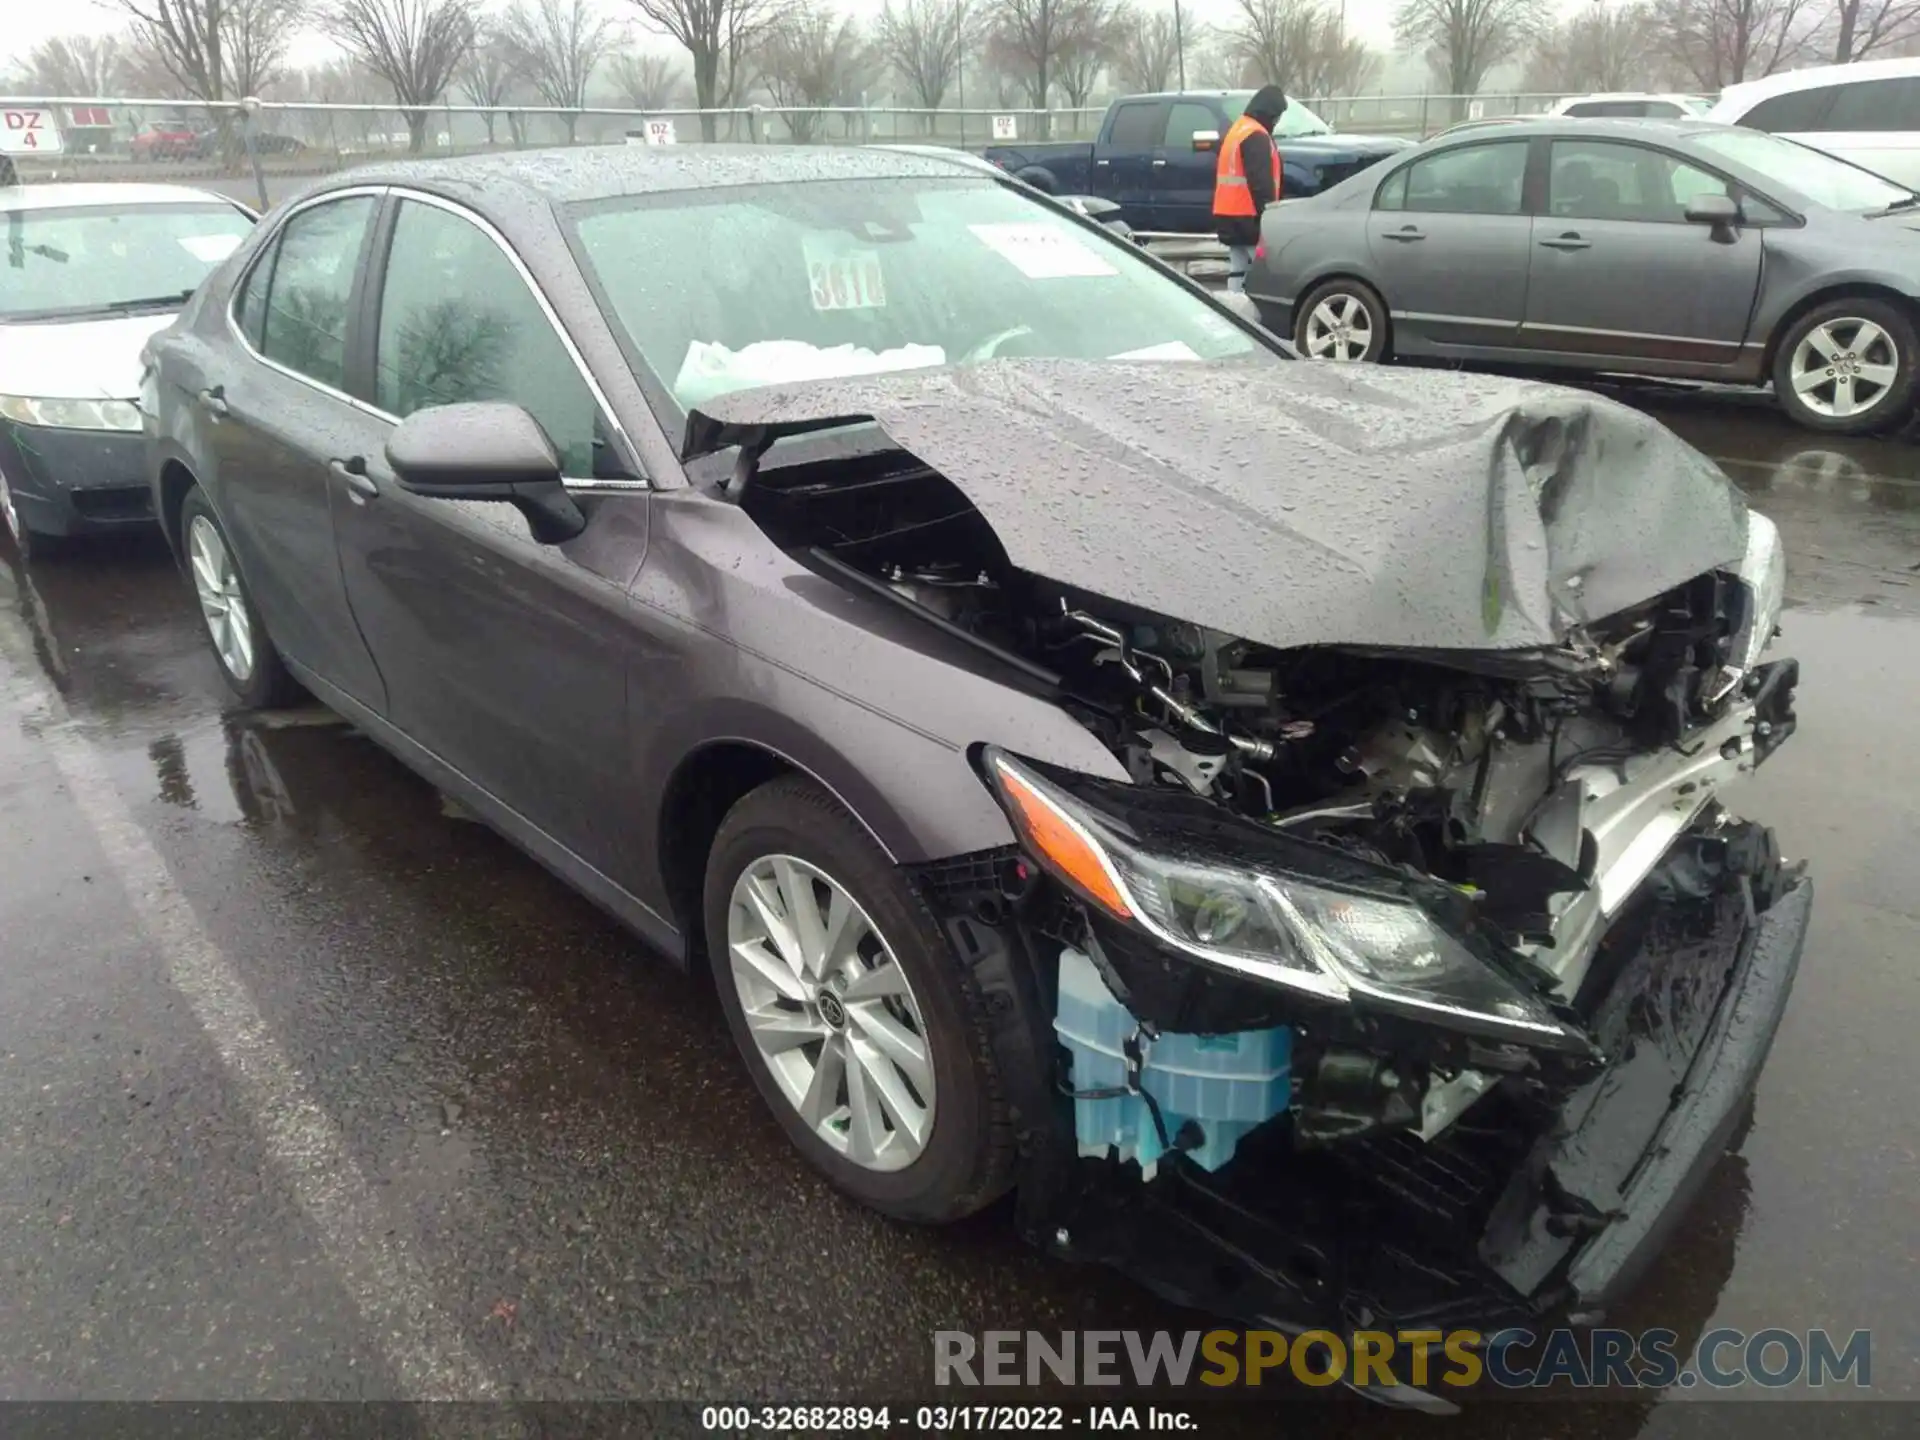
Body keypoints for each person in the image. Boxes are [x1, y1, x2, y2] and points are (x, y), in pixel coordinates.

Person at [1213, 85, 1288, 293]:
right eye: (1277, 116)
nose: (1276, 122)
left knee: (1238, 268)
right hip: (1249, 217)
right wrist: (1270, 214)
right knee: (1265, 268)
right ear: (1270, 113)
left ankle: (1234, 309)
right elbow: (1260, 182)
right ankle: (1267, 313)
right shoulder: (1256, 135)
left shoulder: (1238, 129)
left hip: (1227, 213)